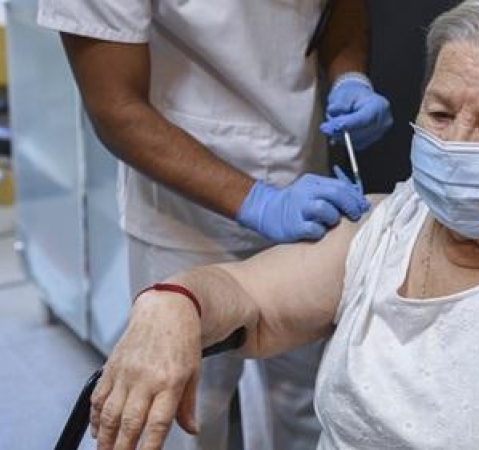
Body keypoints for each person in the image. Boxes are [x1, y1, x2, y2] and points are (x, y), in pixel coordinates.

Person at [86, 0, 479, 449]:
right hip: (185, 194)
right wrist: (172, 301)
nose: (456, 145)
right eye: (441, 112)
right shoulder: (398, 218)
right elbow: (251, 295)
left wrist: (347, 72)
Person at [36, 1, 393, 449]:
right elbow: (115, 106)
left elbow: (340, 6)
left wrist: (349, 74)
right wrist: (259, 202)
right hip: (183, 213)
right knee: (187, 415)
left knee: (308, 405)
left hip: (304, 185)